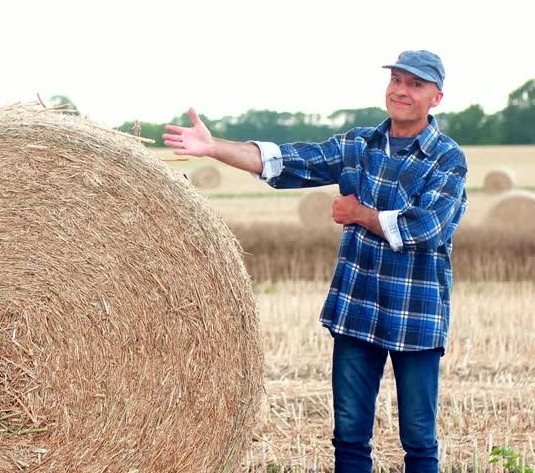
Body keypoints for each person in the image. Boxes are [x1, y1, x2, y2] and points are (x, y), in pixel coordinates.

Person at [162, 50, 467, 473]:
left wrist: (359, 214)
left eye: (414, 84)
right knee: (349, 437)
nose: (401, 90)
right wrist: (214, 148)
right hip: (356, 310)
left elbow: (426, 228)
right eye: (396, 80)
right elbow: (286, 161)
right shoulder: (359, 144)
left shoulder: (447, 158)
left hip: (414, 315)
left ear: (436, 98)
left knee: (418, 440)